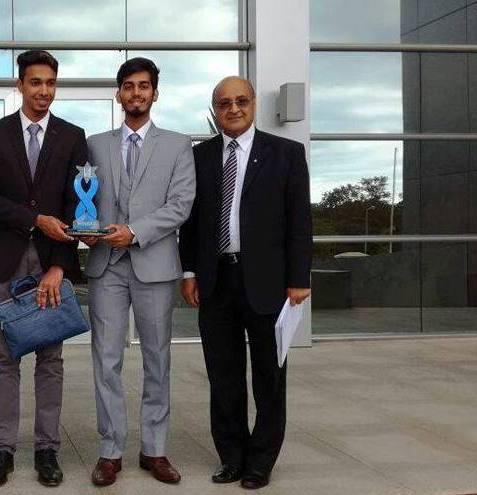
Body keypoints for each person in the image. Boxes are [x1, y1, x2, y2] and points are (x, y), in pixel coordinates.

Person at [178, 76, 312, 490]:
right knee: (223, 375)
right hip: (216, 279)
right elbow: (192, 220)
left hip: (269, 282)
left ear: (253, 104)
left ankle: (261, 461)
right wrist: (189, 272)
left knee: (269, 376)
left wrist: (299, 277)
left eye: (240, 101)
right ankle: (232, 456)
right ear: (215, 109)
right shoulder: (199, 155)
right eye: (224, 103)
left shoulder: (286, 153)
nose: (233, 109)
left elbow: (299, 221)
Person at [0, 49, 87, 489]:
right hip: (5, 258)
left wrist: (60, 266)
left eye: (50, 83)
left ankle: (46, 450)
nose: (43, 91)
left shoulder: (73, 136)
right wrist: (33, 219)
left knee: (51, 358)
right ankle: (2, 450)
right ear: (20, 85)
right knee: (5, 357)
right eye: (35, 82)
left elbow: (80, 205)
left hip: (51, 262)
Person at [80, 57, 196, 487]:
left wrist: (135, 231)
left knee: (157, 360)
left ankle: (154, 450)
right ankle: (110, 452)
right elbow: (83, 200)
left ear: (155, 94)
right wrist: (86, 232)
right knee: (105, 361)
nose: (136, 93)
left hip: (154, 264)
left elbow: (181, 205)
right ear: (118, 94)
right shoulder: (94, 144)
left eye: (143, 86)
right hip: (105, 266)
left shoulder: (178, 144)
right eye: (128, 86)